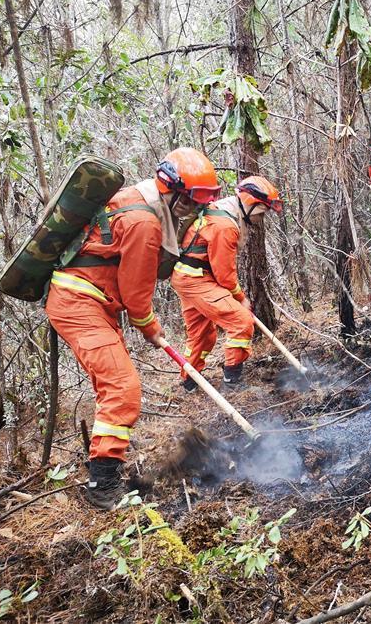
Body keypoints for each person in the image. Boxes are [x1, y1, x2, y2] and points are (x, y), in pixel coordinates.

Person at [45, 147, 220, 510]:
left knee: (113, 387)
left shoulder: (136, 199)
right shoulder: (144, 222)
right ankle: (102, 486)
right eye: (190, 202)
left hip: (91, 302)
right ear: (170, 190)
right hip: (80, 305)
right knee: (123, 388)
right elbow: (136, 293)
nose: (194, 211)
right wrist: (150, 327)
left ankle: (103, 465)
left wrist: (144, 323)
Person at [171, 176, 282, 391]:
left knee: (203, 335)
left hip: (189, 277)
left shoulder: (226, 212)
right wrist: (240, 298)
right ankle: (233, 382)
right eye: (262, 211)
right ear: (250, 204)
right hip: (196, 279)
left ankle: (189, 381)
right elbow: (224, 274)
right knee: (241, 322)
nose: (262, 217)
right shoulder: (225, 226)